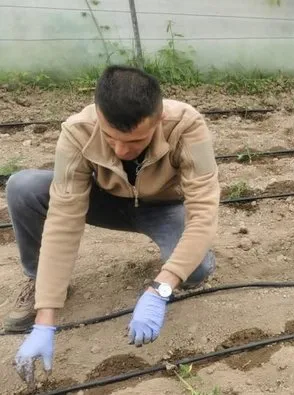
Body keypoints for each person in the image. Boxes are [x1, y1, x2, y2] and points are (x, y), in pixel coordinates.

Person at [6, 65, 220, 384]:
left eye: (134, 141)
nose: (121, 150)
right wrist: (45, 317)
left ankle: (185, 264)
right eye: (110, 138)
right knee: (24, 188)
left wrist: (161, 287)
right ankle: (38, 281)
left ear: (158, 119)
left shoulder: (186, 125)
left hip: (162, 206)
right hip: (104, 200)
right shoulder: (78, 130)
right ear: (99, 115)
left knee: (196, 270)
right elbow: (64, 219)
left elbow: (204, 212)